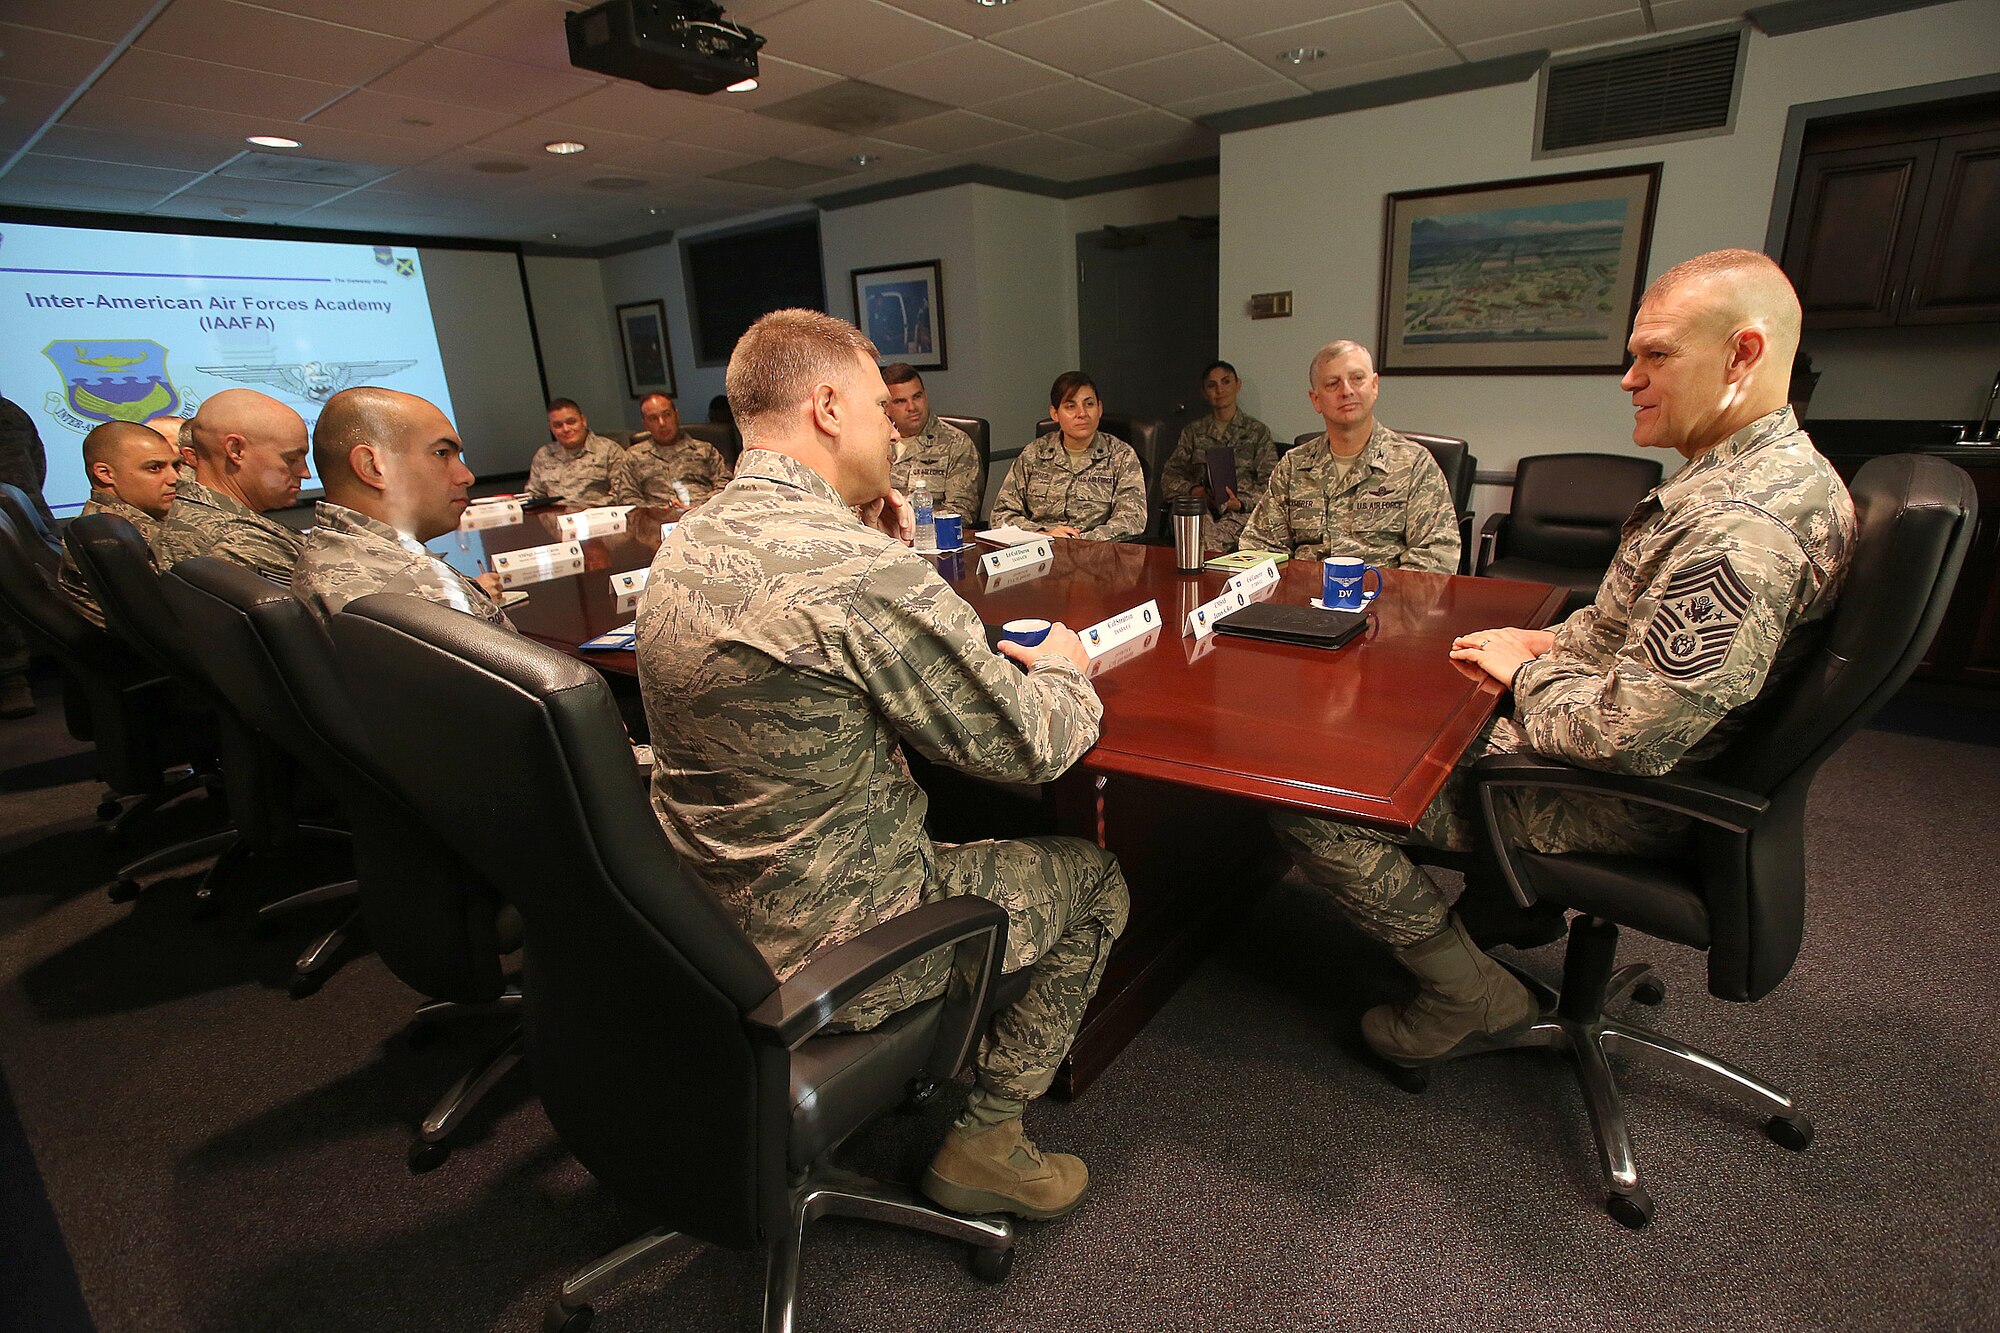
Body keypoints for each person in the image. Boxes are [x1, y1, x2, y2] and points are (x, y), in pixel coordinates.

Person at [1269, 250, 1855, 1071]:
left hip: (1623, 794)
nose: (1629, 378)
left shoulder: (1743, 528)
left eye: (1655, 354)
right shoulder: (1760, 477)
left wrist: (1527, 671)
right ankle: (1511, 910)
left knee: (1316, 787)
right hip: (1641, 756)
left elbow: (1634, 738)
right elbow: (1649, 646)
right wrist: (1553, 641)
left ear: (1743, 353)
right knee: (1405, 707)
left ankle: (1465, 994)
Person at [637, 309, 1129, 1220]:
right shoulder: (857, 572)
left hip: (697, 927)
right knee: (1098, 881)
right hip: (839, 942)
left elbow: (819, 660)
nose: (895, 430)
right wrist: (1065, 666)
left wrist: (882, 548)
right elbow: (1034, 746)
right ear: (827, 406)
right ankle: (986, 1140)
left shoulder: (687, 545)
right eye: (877, 405)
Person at [291, 387, 511, 626]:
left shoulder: (329, 548)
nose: (467, 476)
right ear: (372, 467)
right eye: (442, 453)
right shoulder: (416, 587)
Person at [1238, 342, 1459, 572]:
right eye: (1333, 384)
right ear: (1316, 400)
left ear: (1374, 386)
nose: (1346, 391)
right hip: (1301, 601)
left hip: (1382, 600)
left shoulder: (1414, 465)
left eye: (1357, 379)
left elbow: (1436, 556)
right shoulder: (1294, 466)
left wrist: (1386, 602)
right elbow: (1259, 546)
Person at [152, 388, 309, 585]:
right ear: (236, 450)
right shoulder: (238, 541)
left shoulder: (193, 514)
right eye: (291, 459)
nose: (305, 472)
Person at [989, 372, 1146, 542]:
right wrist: (1042, 535)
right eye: (1071, 407)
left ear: (1100, 409)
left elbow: (1132, 519)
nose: (1082, 413)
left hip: (1096, 554)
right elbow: (1001, 514)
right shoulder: (1034, 454)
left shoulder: (1121, 455)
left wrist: (1079, 541)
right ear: (1054, 413)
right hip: (1039, 551)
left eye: (1089, 404)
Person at [57, 421, 181, 629]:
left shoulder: (108, 522)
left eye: (176, 466)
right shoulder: (119, 537)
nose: (174, 478)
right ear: (105, 473)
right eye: (154, 468)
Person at [1159, 360, 1277, 553]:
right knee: (1195, 524)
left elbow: (1272, 488)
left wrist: (1241, 502)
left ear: (1238, 385)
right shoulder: (1193, 432)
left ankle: (1204, 568)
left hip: (1241, 512)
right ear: (1204, 392)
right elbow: (1168, 478)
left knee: (1208, 539)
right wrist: (1195, 491)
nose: (1219, 390)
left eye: (1226, 382)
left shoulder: (1257, 432)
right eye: (1212, 385)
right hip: (1200, 508)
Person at [0, 393, 53, 718]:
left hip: (23, 527)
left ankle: (11, 679)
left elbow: (19, 488)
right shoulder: (10, 411)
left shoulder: (7, 417)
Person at [883, 362, 982, 522]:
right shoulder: (876, 444)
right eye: (901, 401)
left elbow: (961, 514)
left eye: (917, 396)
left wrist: (910, 525)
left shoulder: (956, 443)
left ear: (925, 395)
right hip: (882, 539)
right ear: (885, 407)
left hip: (933, 540)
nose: (912, 407)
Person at [610, 392, 732, 511]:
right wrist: (657, 513)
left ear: (676, 415)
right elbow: (627, 497)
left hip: (704, 517)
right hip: (656, 524)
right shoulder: (633, 456)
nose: (662, 423)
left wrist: (699, 509)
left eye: (667, 415)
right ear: (645, 424)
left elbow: (726, 486)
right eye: (653, 418)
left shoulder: (705, 450)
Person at [526, 398, 622, 506]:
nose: (566, 429)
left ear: (583, 421)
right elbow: (534, 497)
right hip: (556, 518)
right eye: (558, 425)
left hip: (597, 516)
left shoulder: (609, 450)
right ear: (550, 428)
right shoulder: (543, 455)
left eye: (571, 422)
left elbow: (621, 495)